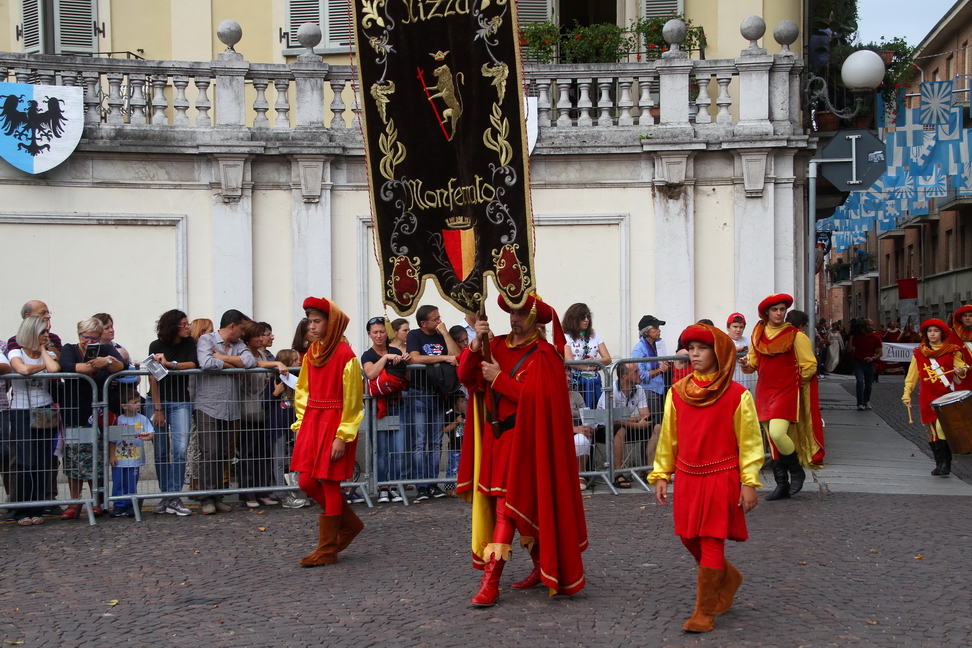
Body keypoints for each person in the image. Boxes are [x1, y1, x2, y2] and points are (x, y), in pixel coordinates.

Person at [457, 293, 587, 607]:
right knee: (520, 508)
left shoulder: (544, 354)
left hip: (528, 442)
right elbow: (466, 377)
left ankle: (491, 582)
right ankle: (543, 566)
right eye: (511, 313)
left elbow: (540, 400)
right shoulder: (496, 344)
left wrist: (499, 378)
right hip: (497, 440)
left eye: (520, 314)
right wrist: (476, 344)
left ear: (536, 320)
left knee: (507, 508)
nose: (514, 319)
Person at [649, 323, 763, 633]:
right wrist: (662, 473)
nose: (694, 354)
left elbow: (751, 442)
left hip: (721, 476)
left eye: (702, 348)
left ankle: (704, 612)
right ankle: (729, 577)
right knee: (688, 537)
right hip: (687, 476)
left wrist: (749, 481)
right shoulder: (678, 392)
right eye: (691, 349)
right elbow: (669, 437)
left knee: (711, 541)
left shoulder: (738, 395)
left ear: (719, 353)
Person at [290, 297, 365, 567]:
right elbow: (303, 389)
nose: (311, 326)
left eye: (317, 321)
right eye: (310, 321)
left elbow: (354, 400)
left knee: (330, 482)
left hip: (335, 424)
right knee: (306, 481)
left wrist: (342, 436)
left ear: (331, 323)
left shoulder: (347, 357)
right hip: (313, 421)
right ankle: (350, 524)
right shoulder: (312, 352)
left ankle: (327, 548)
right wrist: (301, 423)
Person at [740, 295, 823, 501]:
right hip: (765, 391)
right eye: (775, 309)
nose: (779, 313)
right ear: (767, 312)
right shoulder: (757, 334)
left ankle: (796, 471)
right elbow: (753, 364)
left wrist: (795, 383)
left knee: (778, 434)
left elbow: (810, 366)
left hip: (786, 392)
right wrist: (746, 366)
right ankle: (782, 485)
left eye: (782, 309)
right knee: (772, 440)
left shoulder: (796, 336)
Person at [59, 317, 126, 519]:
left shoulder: (106, 349)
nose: (90, 342)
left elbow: (120, 366)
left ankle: (97, 500)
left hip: (98, 411)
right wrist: (98, 365)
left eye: (94, 338)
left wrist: (105, 361)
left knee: (97, 457)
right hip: (75, 409)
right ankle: (74, 501)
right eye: (86, 338)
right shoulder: (69, 348)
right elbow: (70, 367)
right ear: (79, 335)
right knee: (73, 458)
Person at [195, 309, 257, 515]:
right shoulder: (206, 339)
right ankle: (206, 498)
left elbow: (250, 362)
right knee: (210, 452)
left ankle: (218, 495)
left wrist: (221, 358)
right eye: (241, 329)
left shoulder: (239, 345)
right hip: (208, 405)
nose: (243, 334)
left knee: (223, 453)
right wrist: (232, 363)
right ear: (232, 326)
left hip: (231, 408)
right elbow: (206, 363)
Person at [6, 316, 60, 525]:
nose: (47, 335)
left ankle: (37, 507)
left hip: (44, 410)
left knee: (42, 461)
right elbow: (22, 369)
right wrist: (42, 366)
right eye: (42, 332)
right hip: (21, 410)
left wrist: (44, 351)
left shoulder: (47, 353)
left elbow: (55, 369)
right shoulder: (16, 352)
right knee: (24, 461)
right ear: (31, 333)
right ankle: (21, 509)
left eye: (47, 332)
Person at [406, 304, 461, 501]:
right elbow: (414, 358)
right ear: (423, 323)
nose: (439, 321)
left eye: (439, 317)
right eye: (435, 319)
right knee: (421, 442)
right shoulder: (415, 335)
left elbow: (456, 355)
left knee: (436, 442)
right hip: (420, 393)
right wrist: (443, 357)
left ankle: (433, 483)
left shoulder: (440, 335)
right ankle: (422, 485)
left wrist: (445, 334)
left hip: (439, 394)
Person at [146, 309, 198, 516]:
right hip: (157, 400)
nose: (188, 327)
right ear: (173, 326)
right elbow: (153, 377)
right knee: (160, 450)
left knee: (179, 448)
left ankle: (174, 496)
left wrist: (170, 364)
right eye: (184, 324)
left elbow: (193, 364)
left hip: (180, 401)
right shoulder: (156, 345)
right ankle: (166, 495)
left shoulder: (190, 343)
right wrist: (158, 409)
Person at [902, 319, 968, 476]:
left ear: (942, 333)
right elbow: (912, 376)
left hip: (945, 396)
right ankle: (940, 464)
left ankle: (946, 463)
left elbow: (962, 369)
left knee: (941, 428)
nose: (932, 334)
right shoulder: (919, 353)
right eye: (930, 331)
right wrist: (907, 393)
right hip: (927, 397)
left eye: (936, 331)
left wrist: (960, 371)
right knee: (932, 431)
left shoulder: (952, 350)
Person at [239, 321, 289, 508]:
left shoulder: (261, 353)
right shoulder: (244, 353)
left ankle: (262, 490)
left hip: (264, 409)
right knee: (249, 452)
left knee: (263, 452)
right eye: (258, 336)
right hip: (248, 409)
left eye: (263, 335)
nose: (262, 339)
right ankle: (247, 492)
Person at [361, 316, 408, 503]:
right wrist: (387, 358)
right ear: (369, 335)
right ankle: (382, 487)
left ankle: (394, 486)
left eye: (381, 331)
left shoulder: (396, 350)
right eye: (375, 332)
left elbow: (406, 375)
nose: (379, 335)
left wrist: (406, 360)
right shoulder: (368, 355)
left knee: (397, 450)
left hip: (397, 405)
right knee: (380, 450)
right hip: (377, 408)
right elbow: (370, 373)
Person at [264, 348, 308, 508]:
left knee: (297, 460)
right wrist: (276, 393)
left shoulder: (298, 379)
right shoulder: (275, 380)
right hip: (278, 427)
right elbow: (264, 404)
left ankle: (298, 491)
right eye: (295, 359)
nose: (299, 362)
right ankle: (283, 495)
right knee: (280, 460)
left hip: (296, 424)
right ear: (287, 362)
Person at [596, 362, 651, 489]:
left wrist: (627, 421)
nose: (640, 374)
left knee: (656, 427)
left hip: (626, 427)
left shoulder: (639, 389)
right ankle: (617, 473)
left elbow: (646, 415)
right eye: (636, 372)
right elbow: (611, 420)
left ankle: (649, 470)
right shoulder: (612, 390)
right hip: (603, 428)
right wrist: (636, 424)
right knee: (619, 430)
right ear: (625, 377)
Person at [108, 387, 155, 518]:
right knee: (118, 482)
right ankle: (119, 505)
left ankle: (130, 504)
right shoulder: (118, 420)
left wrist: (147, 436)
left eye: (138, 402)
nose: (138, 404)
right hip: (119, 458)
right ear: (124, 406)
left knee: (131, 482)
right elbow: (112, 440)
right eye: (134, 403)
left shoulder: (143, 419)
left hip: (134, 458)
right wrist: (112, 456)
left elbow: (151, 433)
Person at [183, 318, 213, 494]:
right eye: (209, 330)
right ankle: (194, 481)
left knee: (198, 443)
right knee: (195, 444)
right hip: (195, 400)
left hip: (198, 399)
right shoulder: (197, 350)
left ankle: (196, 480)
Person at [562, 303, 611, 409]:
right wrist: (590, 366)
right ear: (573, 319)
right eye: (582, 317)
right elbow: (570, 360)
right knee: (580, 413)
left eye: (588, 317)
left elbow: (607, 358)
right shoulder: (566, 336)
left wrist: (595, 362)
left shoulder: (595, 335)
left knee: (596, 410)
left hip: (593, 381)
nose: (586, 320)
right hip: (576, 382)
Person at [848, 318, 882, 410]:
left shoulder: (876, 338)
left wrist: (872, 358)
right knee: (860, 381)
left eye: (872, 325)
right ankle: (860, 402)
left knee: (869, 383)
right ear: (864, 326)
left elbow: (880, 352)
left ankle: (866, 400)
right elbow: (849, 349)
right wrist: (851, 336)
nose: (870, 327)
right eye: (868, 325)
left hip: (869, 363)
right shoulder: (858, 336)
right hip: (858, 362)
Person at [443, 392, 467, 494]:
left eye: (465, 401)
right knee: (453, 467)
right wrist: (456, 422)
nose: (464, 404)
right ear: (454, 404)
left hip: (464, 446)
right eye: (461, 402)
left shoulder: (464, 415)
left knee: (464, 467)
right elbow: (446, 429)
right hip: (454, 446)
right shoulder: (450, 415)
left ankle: (463, 486)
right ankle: (449, 487)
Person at [725, 313, 751, 389]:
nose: (738, 330)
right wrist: (736, 349)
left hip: (745, 387)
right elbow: (719, 351)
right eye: (735, 327)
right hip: (728, 386)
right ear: (727, 327)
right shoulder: (723, 340)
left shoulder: (748, 341)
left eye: (741, 327)